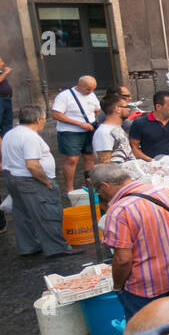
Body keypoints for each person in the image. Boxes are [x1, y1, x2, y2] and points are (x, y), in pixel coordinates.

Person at [91, 163, 169, 319]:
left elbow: (123, 259)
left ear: (104, 186)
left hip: (145, 288)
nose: (99, 195)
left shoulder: (118, 212)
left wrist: (118, 286)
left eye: (98, 191)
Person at [2, 105, 74, 256]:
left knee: (23, 214)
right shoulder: (30, 137)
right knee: (48, 213)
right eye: (43, 120)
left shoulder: (11, 133)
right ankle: (57, 248)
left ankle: (29, 247)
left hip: (13, 177)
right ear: (38, 119)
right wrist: (46, 181)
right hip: (30, 180)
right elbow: (32, 165)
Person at [50, 75, 102, 196]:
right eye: (88, 89)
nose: (91, 92)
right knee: (72, 159)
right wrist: (79, 123)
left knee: (89, 158)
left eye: (93, 89)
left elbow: (97, 110)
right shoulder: (65, 96)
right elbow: (56, 114)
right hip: (70, 132)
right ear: (80, 86)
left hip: (89, 130)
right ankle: (69, 189)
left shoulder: (92, 95)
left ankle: (87, 186)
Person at [129, 91, 169, 163]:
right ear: (158, 107)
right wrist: (152, 161)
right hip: (151, 168)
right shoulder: (140, 123)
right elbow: (134, 148)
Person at [92, 92, 134, 165]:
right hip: (117, 175)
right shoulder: (104, 132)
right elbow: (104, 164)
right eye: (126, 106)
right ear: (117, 109)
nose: (129, 109)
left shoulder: (116, 128)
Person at [0, 54, 12, 137]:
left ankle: (7, 141)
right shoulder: (2, 73)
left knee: (7, 123)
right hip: (0, 99)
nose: (3, 63)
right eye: (1, 62)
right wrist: (5, 73)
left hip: (7, 99)